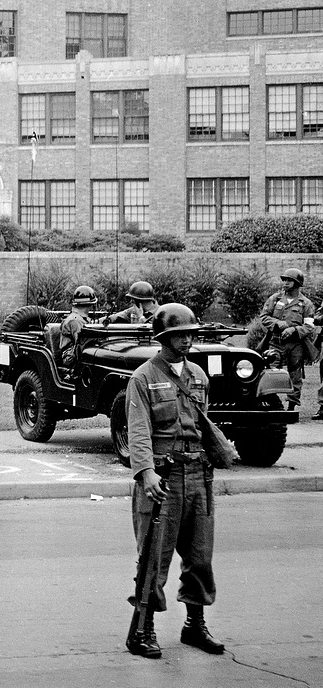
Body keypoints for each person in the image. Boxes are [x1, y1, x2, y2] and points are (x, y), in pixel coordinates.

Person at [123, 303, 236, 659]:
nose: (187, 340)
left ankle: (194, 625)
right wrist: (146, 473)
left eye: (190, 334)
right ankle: (144, 630)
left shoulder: (199, 376)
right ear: (164, 338)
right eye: (180, 335)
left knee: (200, 556)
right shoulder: (143, 377)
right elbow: (138, 431)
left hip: (198, 474)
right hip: (163, 477)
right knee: (154, 558)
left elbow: (201, 422)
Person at [253, 268, 319, 413]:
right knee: (270, 371)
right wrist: (277, 323)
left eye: (289, 280)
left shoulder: (306, 304)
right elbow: (264, 317)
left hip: (296, 345)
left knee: (295, 374)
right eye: (284, 280)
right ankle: (272, 403)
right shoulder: (275, 299)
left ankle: (292, 405)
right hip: (275, 342)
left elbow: (309, 326)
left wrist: (293, 330)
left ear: (297, 283)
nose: (285, 283)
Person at [61, 285, 99, 368]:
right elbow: (83, 343)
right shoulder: (75, 320)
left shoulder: (80, 318)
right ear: (90, 305)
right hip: (73, 359)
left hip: (76, 354)